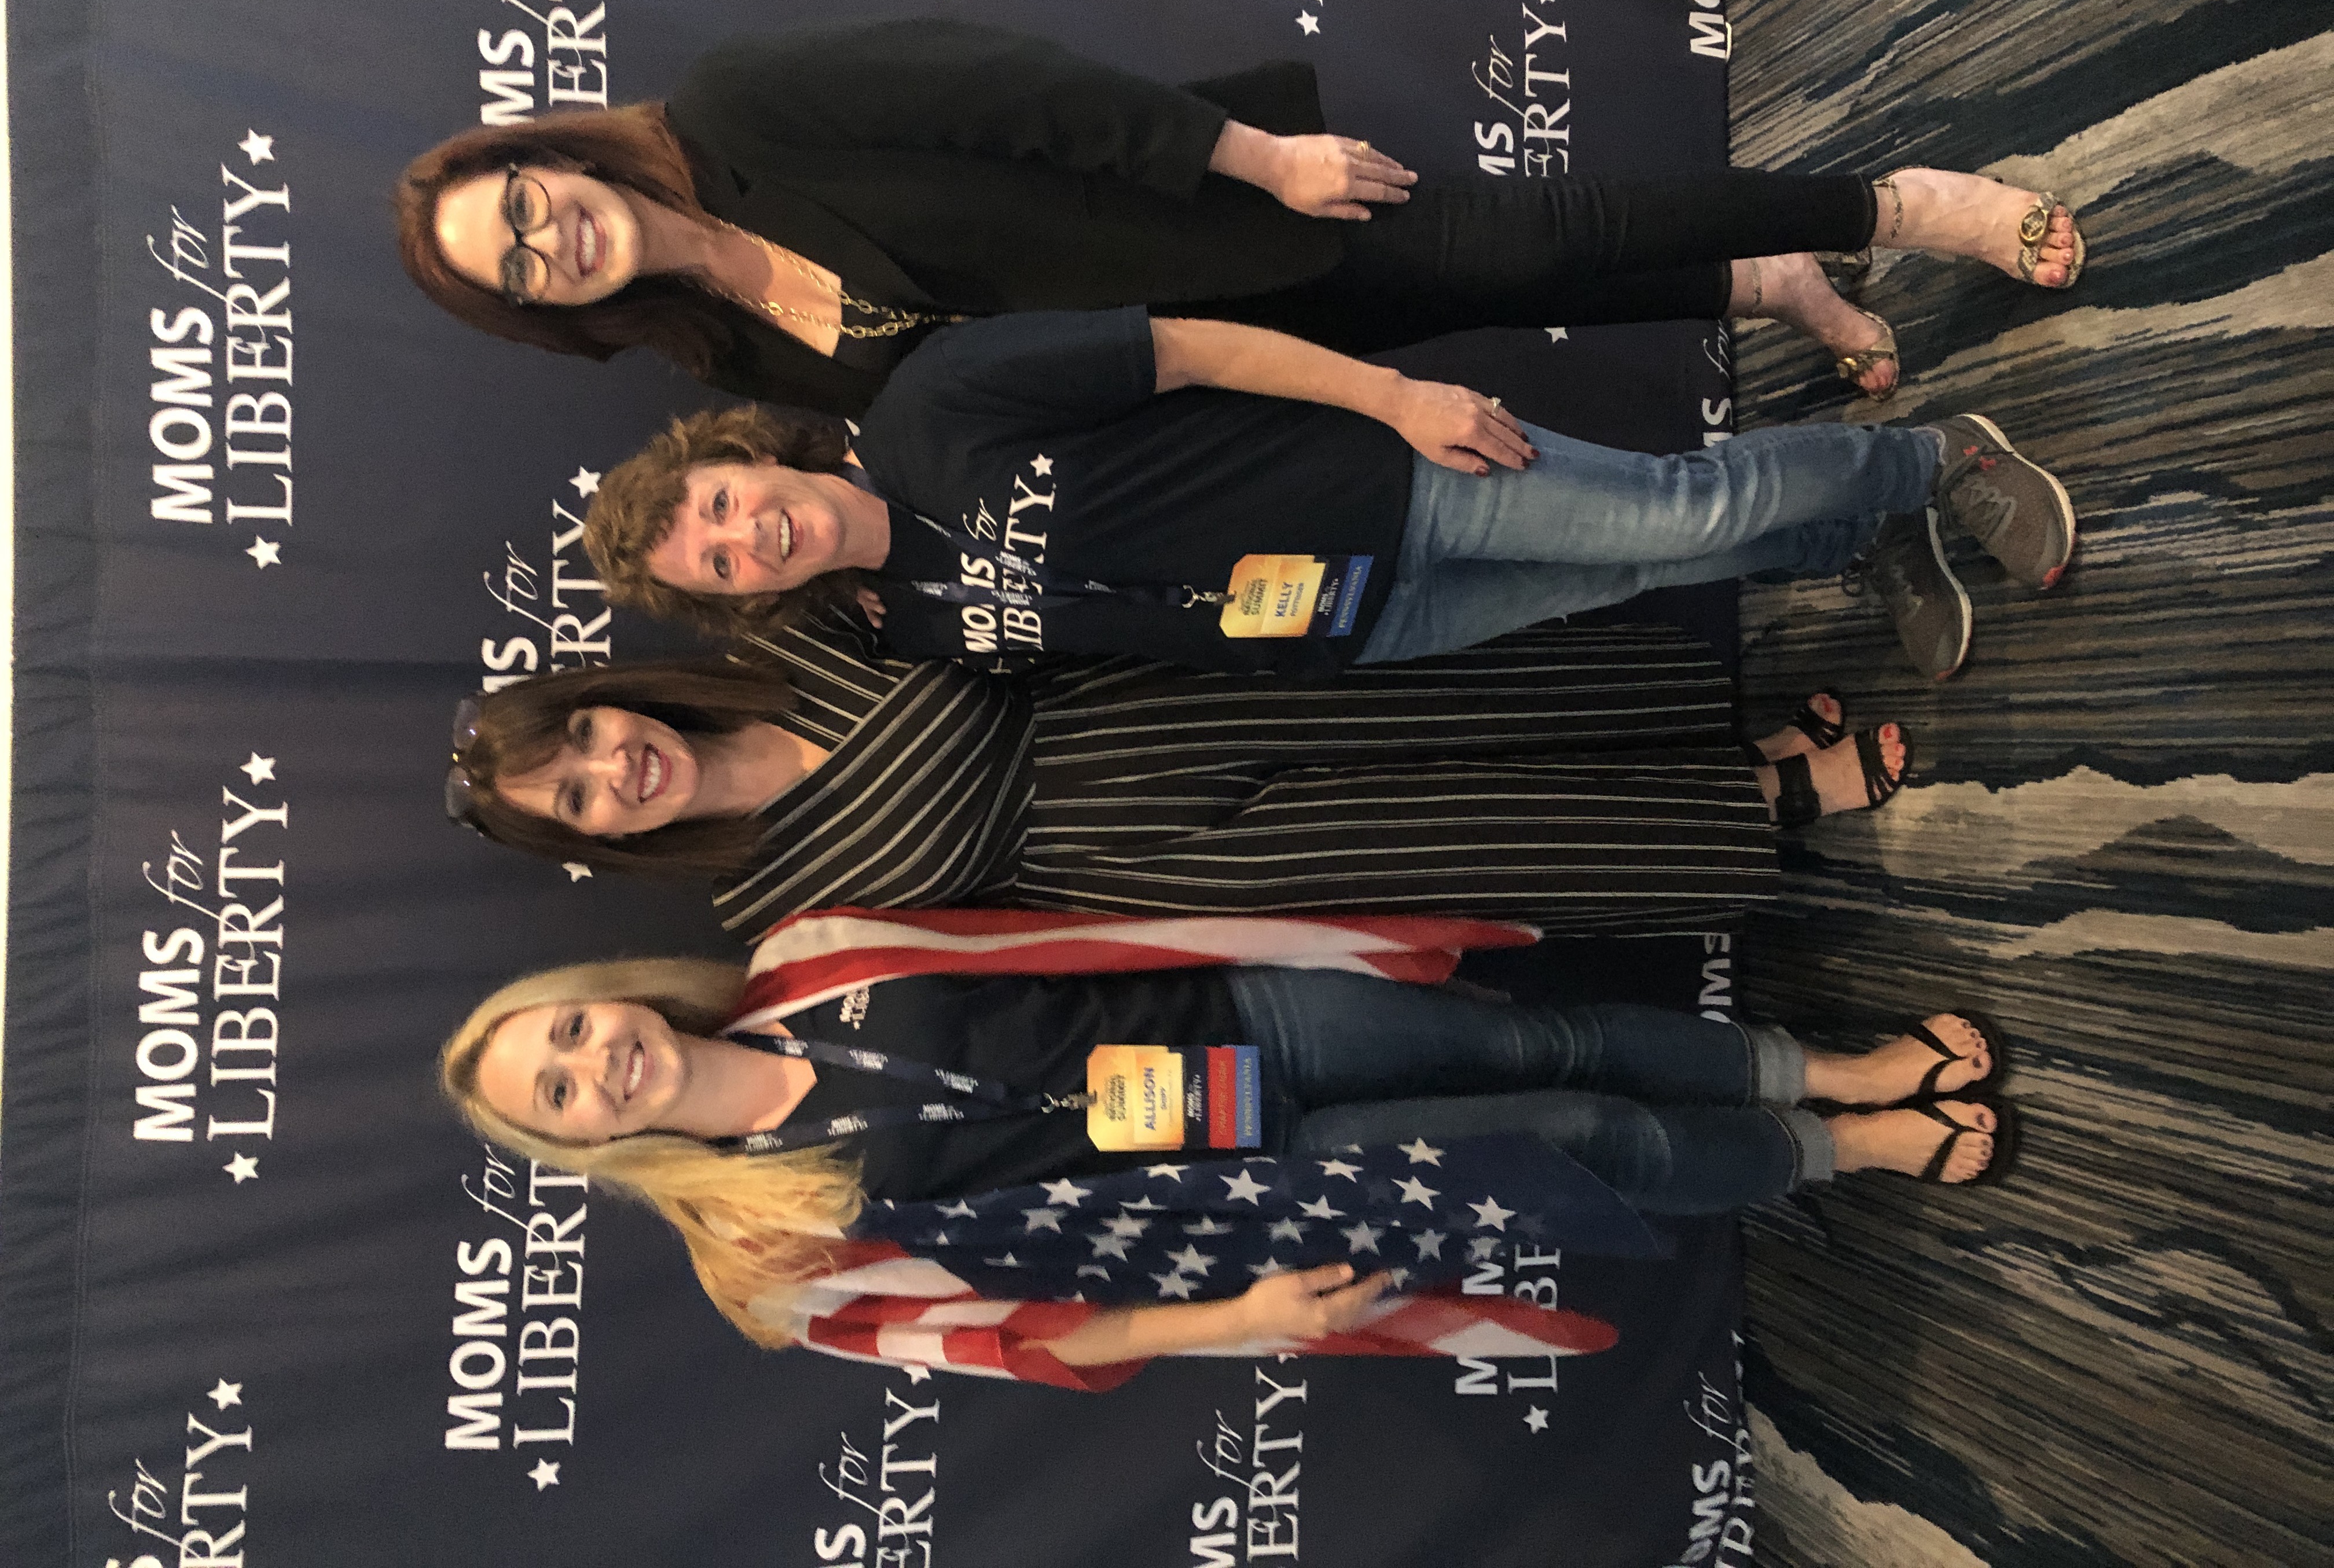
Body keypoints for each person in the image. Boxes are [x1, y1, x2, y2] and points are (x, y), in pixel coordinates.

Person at [439, 906, 2014, 1387]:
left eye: (566, 1030)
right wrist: (1233, 1321)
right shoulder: (765, 1260)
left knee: (1548, 1041)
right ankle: (1846, 1155)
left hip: (1248, 1017)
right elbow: (1012, 1340)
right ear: (588, 1143)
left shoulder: (812, 957)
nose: (594, 1062)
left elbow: (1055, 935)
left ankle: (1834, 1070)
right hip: (1256, 1193)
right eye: (559, 1094)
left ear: (603, 995)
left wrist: (1295, 933)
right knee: (1580, 1141)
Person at [395, 19, 2085, 418]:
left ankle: (1904, 205)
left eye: (524, 206)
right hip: (1226, 352)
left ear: (554, 159)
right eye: (519, 269)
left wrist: (1254, 158)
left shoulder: (739, 106)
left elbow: (1007, 86)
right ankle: (1770, 284)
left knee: (1546, 234)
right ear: (547, 311)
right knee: (1514, 299)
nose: (551, 241)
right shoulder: (731, 358)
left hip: (1232, 213)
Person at [583, 313, 2076, 682]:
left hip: (1387, 486)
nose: (742, 536)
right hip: (1353, 631)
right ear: (742, 598)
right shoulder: (905, 627)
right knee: (1642, 571)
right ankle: (1862, 536)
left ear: (748, 456)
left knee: (1676, 512)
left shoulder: (929, 403)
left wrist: (1395, 399)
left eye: (717, 505)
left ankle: (1939, 460)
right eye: (716, 565)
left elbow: (1188, 347)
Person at [444, 630, 1903, 938]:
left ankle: (1727, 724)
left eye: (582, 736)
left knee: (1466, 692)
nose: (612, 768)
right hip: (1151, 860)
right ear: (595, 841)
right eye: (577, 798)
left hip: (1142, 693)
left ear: (603, 696)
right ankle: (1762, 803)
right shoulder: (768, 908)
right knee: (1474, 828)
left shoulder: (783, 643)